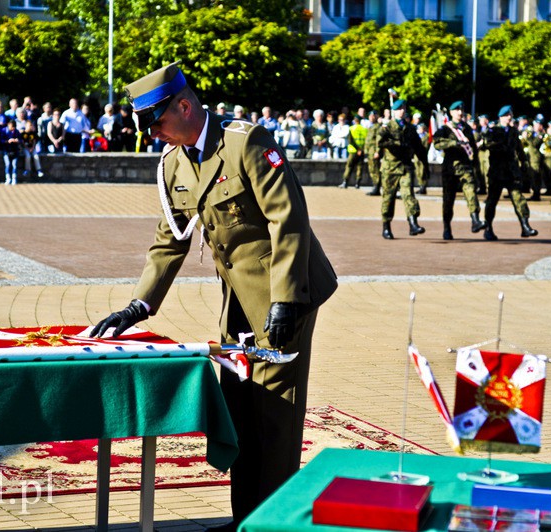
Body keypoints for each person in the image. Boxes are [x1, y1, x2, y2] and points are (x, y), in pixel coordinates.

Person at [89, 62, 337, 532]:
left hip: (287, 293)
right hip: (238, 301)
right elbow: (170, 240)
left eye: (158, 124)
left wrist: (286, 299)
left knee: (274, 415)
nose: (155, 136)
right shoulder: (174, 163)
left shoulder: (247, 143)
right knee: (239, 406)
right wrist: (137, 306)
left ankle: (275, 523)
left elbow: (290, 220)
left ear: (184, 106)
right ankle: (245, 519)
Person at [481, 106, 538, 240]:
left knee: (519, 199)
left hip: (511, 172)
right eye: (507, 115)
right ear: (501, 117)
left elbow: (518, 147)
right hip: (497, 171)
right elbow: (487, 144)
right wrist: (501, 145)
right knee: (492, 201)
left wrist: (524, 162)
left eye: (510, 115)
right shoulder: (493, 131)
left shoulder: (513, 131)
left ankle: (525, 226)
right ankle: (488, 228)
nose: (509, 117)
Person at [432, 100, 485, 240]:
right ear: (451, 113)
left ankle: (475, 220)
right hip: (450, 169)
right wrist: (453, 143)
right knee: (448, 200)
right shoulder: (445, 129)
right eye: (456, 110)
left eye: (461, 110)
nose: (460, 113)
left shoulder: (467, 128)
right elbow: (436, 143)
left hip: (465, 167)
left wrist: (475, 165)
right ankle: (447, 227)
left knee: (471, 192)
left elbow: (472, 147)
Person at [376, 99, 428, 238]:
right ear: (394, 111)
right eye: (399, 109)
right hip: (390, 168)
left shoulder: (410, 128)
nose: (402, 111)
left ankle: (413, 224)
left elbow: (419, 148)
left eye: (404, 108)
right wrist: (396, 143)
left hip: (405, 167)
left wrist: (425, 164)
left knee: (408, 194)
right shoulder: (387, 127)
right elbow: (379, 142)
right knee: (388, 197)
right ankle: (386, 226)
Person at [339, 115, 367, 188]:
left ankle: (345, 182)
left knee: (349, 166)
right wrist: (361, 149)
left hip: (353, 150)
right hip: (362, 151)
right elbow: (366, 141)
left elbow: (350, 140)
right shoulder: (364, 129)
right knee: (359, 167)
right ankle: (357, 183)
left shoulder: (351, 129)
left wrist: (357, 149)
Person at [0, 119, 23, 185]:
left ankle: (14, 178)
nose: (12, 128)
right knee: (7, 165)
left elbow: (21, 140)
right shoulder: (4, 131)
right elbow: (1, 140)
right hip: (6, 150)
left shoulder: (16, 131)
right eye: (11, 126)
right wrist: (8, 141)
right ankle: (8, 178)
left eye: (13, 127)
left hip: (15, 150)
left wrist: (17, 140)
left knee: (14, 165)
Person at [364, 110, 382, 195]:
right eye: (370, 116)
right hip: (369, 151)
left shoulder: (378, 127)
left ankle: (377, 187)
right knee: (372, 169)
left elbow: (378, 140)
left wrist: (377, 151)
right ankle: (375, 185)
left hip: (374, 152)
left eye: (373, 116)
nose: (371, 117)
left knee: (375, 170)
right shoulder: (371, 127)